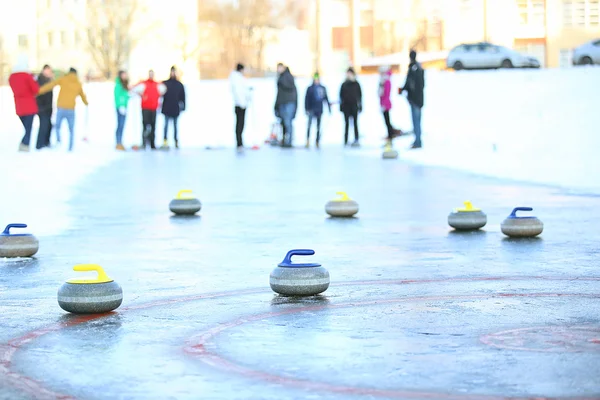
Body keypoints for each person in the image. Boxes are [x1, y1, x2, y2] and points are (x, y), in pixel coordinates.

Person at [38, 67, 88, 152]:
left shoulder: (64, 79)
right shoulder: (78, 83)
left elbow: (51, 85)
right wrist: (86, 102)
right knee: (71, 129)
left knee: (57, 126)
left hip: (61, 108)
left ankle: (58, 141)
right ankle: (70, 147)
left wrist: (39, 91)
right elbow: (82, 95)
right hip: (71, 109)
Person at [8, 55, 39, 152]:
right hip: (29, 106)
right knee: (28, 128)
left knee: (26, 128)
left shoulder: (11, 77)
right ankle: (24, 145)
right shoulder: (27, 76)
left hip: (19, 106)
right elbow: (35, 89)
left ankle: (24, 144)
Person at [133, 70, 166, 150]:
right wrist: (141, 95)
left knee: (153, 126)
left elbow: (164, 90)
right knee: (145, 125)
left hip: (154, 108)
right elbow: (134, 89)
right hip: (145, 108)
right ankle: (144, 143)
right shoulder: (143, 83)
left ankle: (152, 144)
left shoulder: (157, 84)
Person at [400, 50, 425, 149]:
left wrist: (404, 90)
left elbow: (410, 83)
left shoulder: (413, 69)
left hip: (415, 100)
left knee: (416, 121)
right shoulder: (419, 68)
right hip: (418, 99)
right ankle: (417, 140)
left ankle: (417, 141)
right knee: (417, 121)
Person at [161, 66, 186, 149]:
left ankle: (176, 141)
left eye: (174, 72)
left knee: (175, 126)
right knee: (166, 125)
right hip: (167, 108)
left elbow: (183, 97)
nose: (173, 73)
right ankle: (165, 141)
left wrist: (183, 107)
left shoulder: (179, 85)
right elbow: (160, 93)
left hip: (175, 108)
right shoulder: (165, 84)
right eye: (172, 72)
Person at [304, 72, 330, 149]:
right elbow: (306, 99)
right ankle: (308, 140)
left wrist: (329, 108)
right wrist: (306, 108)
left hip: (319, 109)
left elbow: (326, 98)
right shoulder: (310, 88)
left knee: (318, 126)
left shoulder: (322, 88)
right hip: (311, 109)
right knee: (309, 125)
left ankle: (317, 141)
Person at [274, 62, 297, 148]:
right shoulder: (280, 77)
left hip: (288, 103)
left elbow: (290, 87)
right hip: (282, 103)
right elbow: (279, 93)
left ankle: (289, 141)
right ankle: (284, 140)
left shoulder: (287, 76)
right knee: (283, 122)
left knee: (288, 122)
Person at [229, 63, 251, 151]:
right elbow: (238, 92)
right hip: (240, 105)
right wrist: (242, 103)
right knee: (240, 124)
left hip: (242, 103)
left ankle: (240, 142)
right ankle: (239, 143)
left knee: (241, 124)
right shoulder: (236, 78)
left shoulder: (239, 78)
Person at [339, 67, 362, 147]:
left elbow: (360, 95)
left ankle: (356, 138)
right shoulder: (344, 84)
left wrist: (360, 106)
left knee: (355, 123)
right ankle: (346, 139)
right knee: (346, 123)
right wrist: (341, 106)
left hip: (354, 106)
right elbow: (341, 96)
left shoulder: (356, 84)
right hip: (346, 107)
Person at [379, 65, 400, 145]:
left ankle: (390, 137)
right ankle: (390, 136)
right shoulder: (382, 81)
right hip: (383, 104)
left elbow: (386, 94)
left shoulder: (386, 81)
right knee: (386, 121)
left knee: (387, 121)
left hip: (386, 104)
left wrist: (384, 104)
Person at [36, 65, 54, 149]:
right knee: (43, 125)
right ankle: (39, 144)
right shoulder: (40, 79)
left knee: (48, 125)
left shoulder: (49, 80)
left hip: (48, 107)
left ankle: (46, 142)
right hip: (42, 107)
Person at [114, 70, 130, 151]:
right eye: (123, 75)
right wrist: (120, 106)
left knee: (122, 125)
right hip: (120, 108)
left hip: (124, 107)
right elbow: (117, 96)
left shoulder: (125, 84)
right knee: (120, 125)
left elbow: (125, 95)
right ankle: (118, 142)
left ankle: (120, 142)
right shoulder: (118, 85)